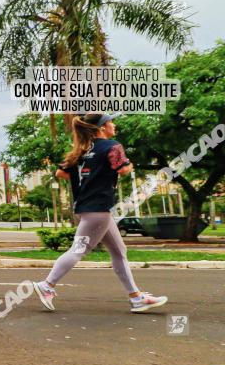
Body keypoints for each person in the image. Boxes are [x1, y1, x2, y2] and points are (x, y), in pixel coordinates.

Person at [33, 113, 167, 313]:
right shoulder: (112, 146)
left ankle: (136, 297)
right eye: (111, 122)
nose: (114, 124)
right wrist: (128, 164)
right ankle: (47, 285)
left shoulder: (82, 150)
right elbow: (123, 170)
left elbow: (60, 173)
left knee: (119, 251)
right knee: (78, 251)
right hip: (98, 209)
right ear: (102, 128)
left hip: (88, 208)